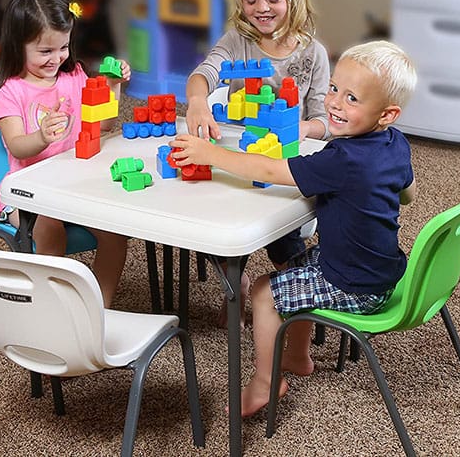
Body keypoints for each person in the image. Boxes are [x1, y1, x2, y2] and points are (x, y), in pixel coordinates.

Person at [170, 40, 418, 417]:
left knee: (263, 292)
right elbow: (408, 194)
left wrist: (211, 155)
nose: (334, 102)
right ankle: (298, 356)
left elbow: (272, 171)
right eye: (334, 88)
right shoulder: (395, 143)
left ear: (387, 113)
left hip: (354, 282)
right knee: (296, 266)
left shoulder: (344, 158)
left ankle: (265, 383)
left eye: (352, 98)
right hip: (379, 268)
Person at [185, 0, 332, 327]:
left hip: (283, 166)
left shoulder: (312, 54)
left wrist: (304, 125)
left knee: (284, 243)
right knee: (214, 222)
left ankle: (295, 301)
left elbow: (327, 120)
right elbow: (206, 71)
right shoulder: (238, 42)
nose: (261, 8)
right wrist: (198, 101)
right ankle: (237, 284)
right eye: (250, 0)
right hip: (236, 160)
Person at [0, 0, 131, 307]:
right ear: (16, 46)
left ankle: (98, 310)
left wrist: (113, 88)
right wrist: (42, 137)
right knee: (51, 231)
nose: (57, 58)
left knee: (116, 233)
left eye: (63, 47)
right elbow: (18, 146)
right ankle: (54, 311)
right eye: (45, 51)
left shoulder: (74, 74)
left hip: (73, 184)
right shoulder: (6, 89)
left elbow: (104, 126)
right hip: (28, 193)